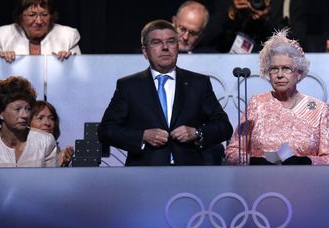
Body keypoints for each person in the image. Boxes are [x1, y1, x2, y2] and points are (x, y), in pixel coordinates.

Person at [98, 20, 233, 166]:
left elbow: (224, 127)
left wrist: (197, 133)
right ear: (145, 51)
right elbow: (106, 130)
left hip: (190, 173)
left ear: (177, 47)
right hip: (144, 175)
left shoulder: (198, 83)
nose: (165, 47)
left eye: (171, 41)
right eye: (156, 42)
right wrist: (142, 136)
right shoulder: (129, 86)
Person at [225, 29, 329, 165]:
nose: (279, 75)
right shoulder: (256, 103)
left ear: (299, 73)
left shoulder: (319, 109)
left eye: (286, 68)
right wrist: (253, 161)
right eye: (274, 69)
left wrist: (307, 161)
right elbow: (233, 151)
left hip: (305, 182)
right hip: (260, 180)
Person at [200, 0, 307, 53]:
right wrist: (232, 13)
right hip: (229, 64)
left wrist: (266, 20)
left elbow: (300, 42)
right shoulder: (232, 3)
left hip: (272, 68)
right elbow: (203, 37)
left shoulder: (289, 3)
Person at [0, 76, 57, 167]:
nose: (25, 115)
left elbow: (52, 179)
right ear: (0, 112)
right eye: (18, 109)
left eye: (28, 109)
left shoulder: (45, 141)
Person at [0, 0, 81, 63]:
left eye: (44, 15)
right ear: (20, 17)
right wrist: (1, 63)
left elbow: (79, 76)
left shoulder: (69, 35)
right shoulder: (0, 35)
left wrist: (69, 63)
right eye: (32, 15)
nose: (39, 21)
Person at [30, 100, 74, 166]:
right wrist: (56, 163)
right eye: (40, 118)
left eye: (51, 118)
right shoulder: (21, 150)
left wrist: (64, 164)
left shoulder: (58, 151)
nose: (48, 123)